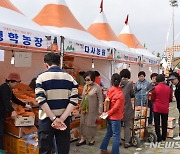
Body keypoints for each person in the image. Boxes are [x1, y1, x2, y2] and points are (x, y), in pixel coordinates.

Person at [35, 52, 78, 154]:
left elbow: (41, 100)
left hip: (46, 120)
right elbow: (74, 100)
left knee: (45, 150)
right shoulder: (70, 78)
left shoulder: (41, 77)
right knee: (63, 149)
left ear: (46, 64)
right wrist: (61, 119)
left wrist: (53, 118)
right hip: (64, 121)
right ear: (59, 63)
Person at [0, 73, 31, 150]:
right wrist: (12, 111)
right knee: (0, 132)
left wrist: (25, 105)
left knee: (2, 131)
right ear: (11, 81)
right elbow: (6, 101)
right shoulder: (4, 88)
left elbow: (14, 99)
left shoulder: (9, 88)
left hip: (2, 112)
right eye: (16, 83)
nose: (17, 85)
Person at [76, 71, 103, 146]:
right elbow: (83, 97)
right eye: (85, 80)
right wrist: (80, 107)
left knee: (91, 125)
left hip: (93, 109)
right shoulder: (85, 86)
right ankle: (82, 139)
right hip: (84, 109)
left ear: (93, 79)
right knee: (82, 123)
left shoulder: (97, 87)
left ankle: (91, 139)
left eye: (88, 80)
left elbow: (100, 100)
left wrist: (100, 110)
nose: (87, 82)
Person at [100, 73, 125, 154]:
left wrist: (107, 113)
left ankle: (103, 149)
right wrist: (109, 113)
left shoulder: (110, 90)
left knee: (109, 133)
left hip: (109, 117)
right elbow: (116, 108)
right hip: (116, 117)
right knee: (116, 136)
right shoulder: (120, 93)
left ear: (111, 81)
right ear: (120, 81)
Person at [151, 74, 172, 142]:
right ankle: (164, 137)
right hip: (165, 108)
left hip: (157, 107)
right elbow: (170, 98)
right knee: (164, 122)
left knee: (157, 123)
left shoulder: (155, 88)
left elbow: (152, 98)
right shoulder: (168, 88)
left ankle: (159, 137)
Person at [119, 69, 134, 148]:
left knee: (119, 125)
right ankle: (127, 142)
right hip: (127, 108)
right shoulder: (129, 84)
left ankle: (117, 141)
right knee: (127, 125)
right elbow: (132, 94)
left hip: (118, 108)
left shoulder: (117, 83)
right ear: (128, 76)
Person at [168, 72, 180, 140]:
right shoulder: (177, 86)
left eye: (173, 79)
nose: (172, 81)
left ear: (177, 79)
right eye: (171, 80)